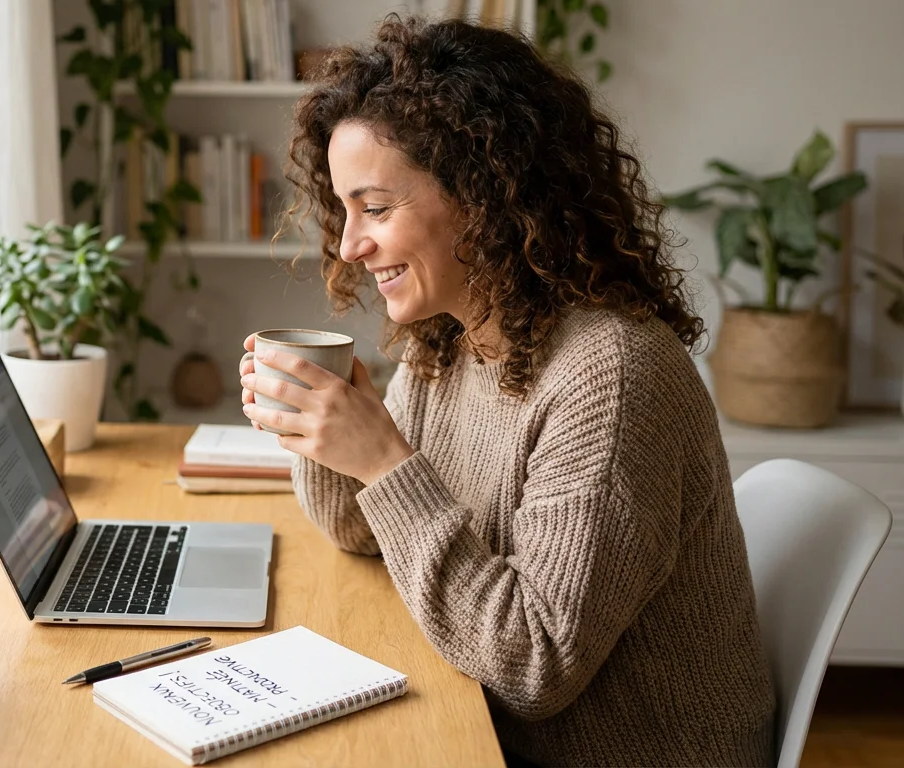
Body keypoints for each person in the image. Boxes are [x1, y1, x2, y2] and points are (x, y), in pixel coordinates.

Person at [238, 15, 776, 768]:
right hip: (489, 729)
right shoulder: (455, 341)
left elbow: (534, 665)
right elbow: (363, 533)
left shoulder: (612, 376)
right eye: (345, 208)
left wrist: (386, 462)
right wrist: (325, 427)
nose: (352, 245)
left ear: (483, 194)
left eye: (377, 207)